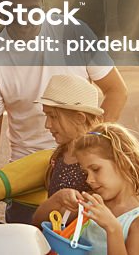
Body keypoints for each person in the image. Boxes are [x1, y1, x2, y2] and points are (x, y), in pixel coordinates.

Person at [0, 0, 128, 225]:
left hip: (83, 171)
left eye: (31, 9)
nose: (25, 18)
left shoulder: (73, 33)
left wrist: (91, 150)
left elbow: (116, 91)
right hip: (28, 179)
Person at [29, 74, 104, 228]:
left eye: (53, 116)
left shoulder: (100, 161)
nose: (47, 124)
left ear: (80, 118)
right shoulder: (60, 155)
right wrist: (56, 201)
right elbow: (39, 222)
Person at [74, 123, 139, 255]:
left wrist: (113, 228)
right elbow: (38, 223)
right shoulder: (91, 203)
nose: (88, 180)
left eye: (96, 169)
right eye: (86, 173)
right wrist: (58, 199)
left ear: (123, 162)